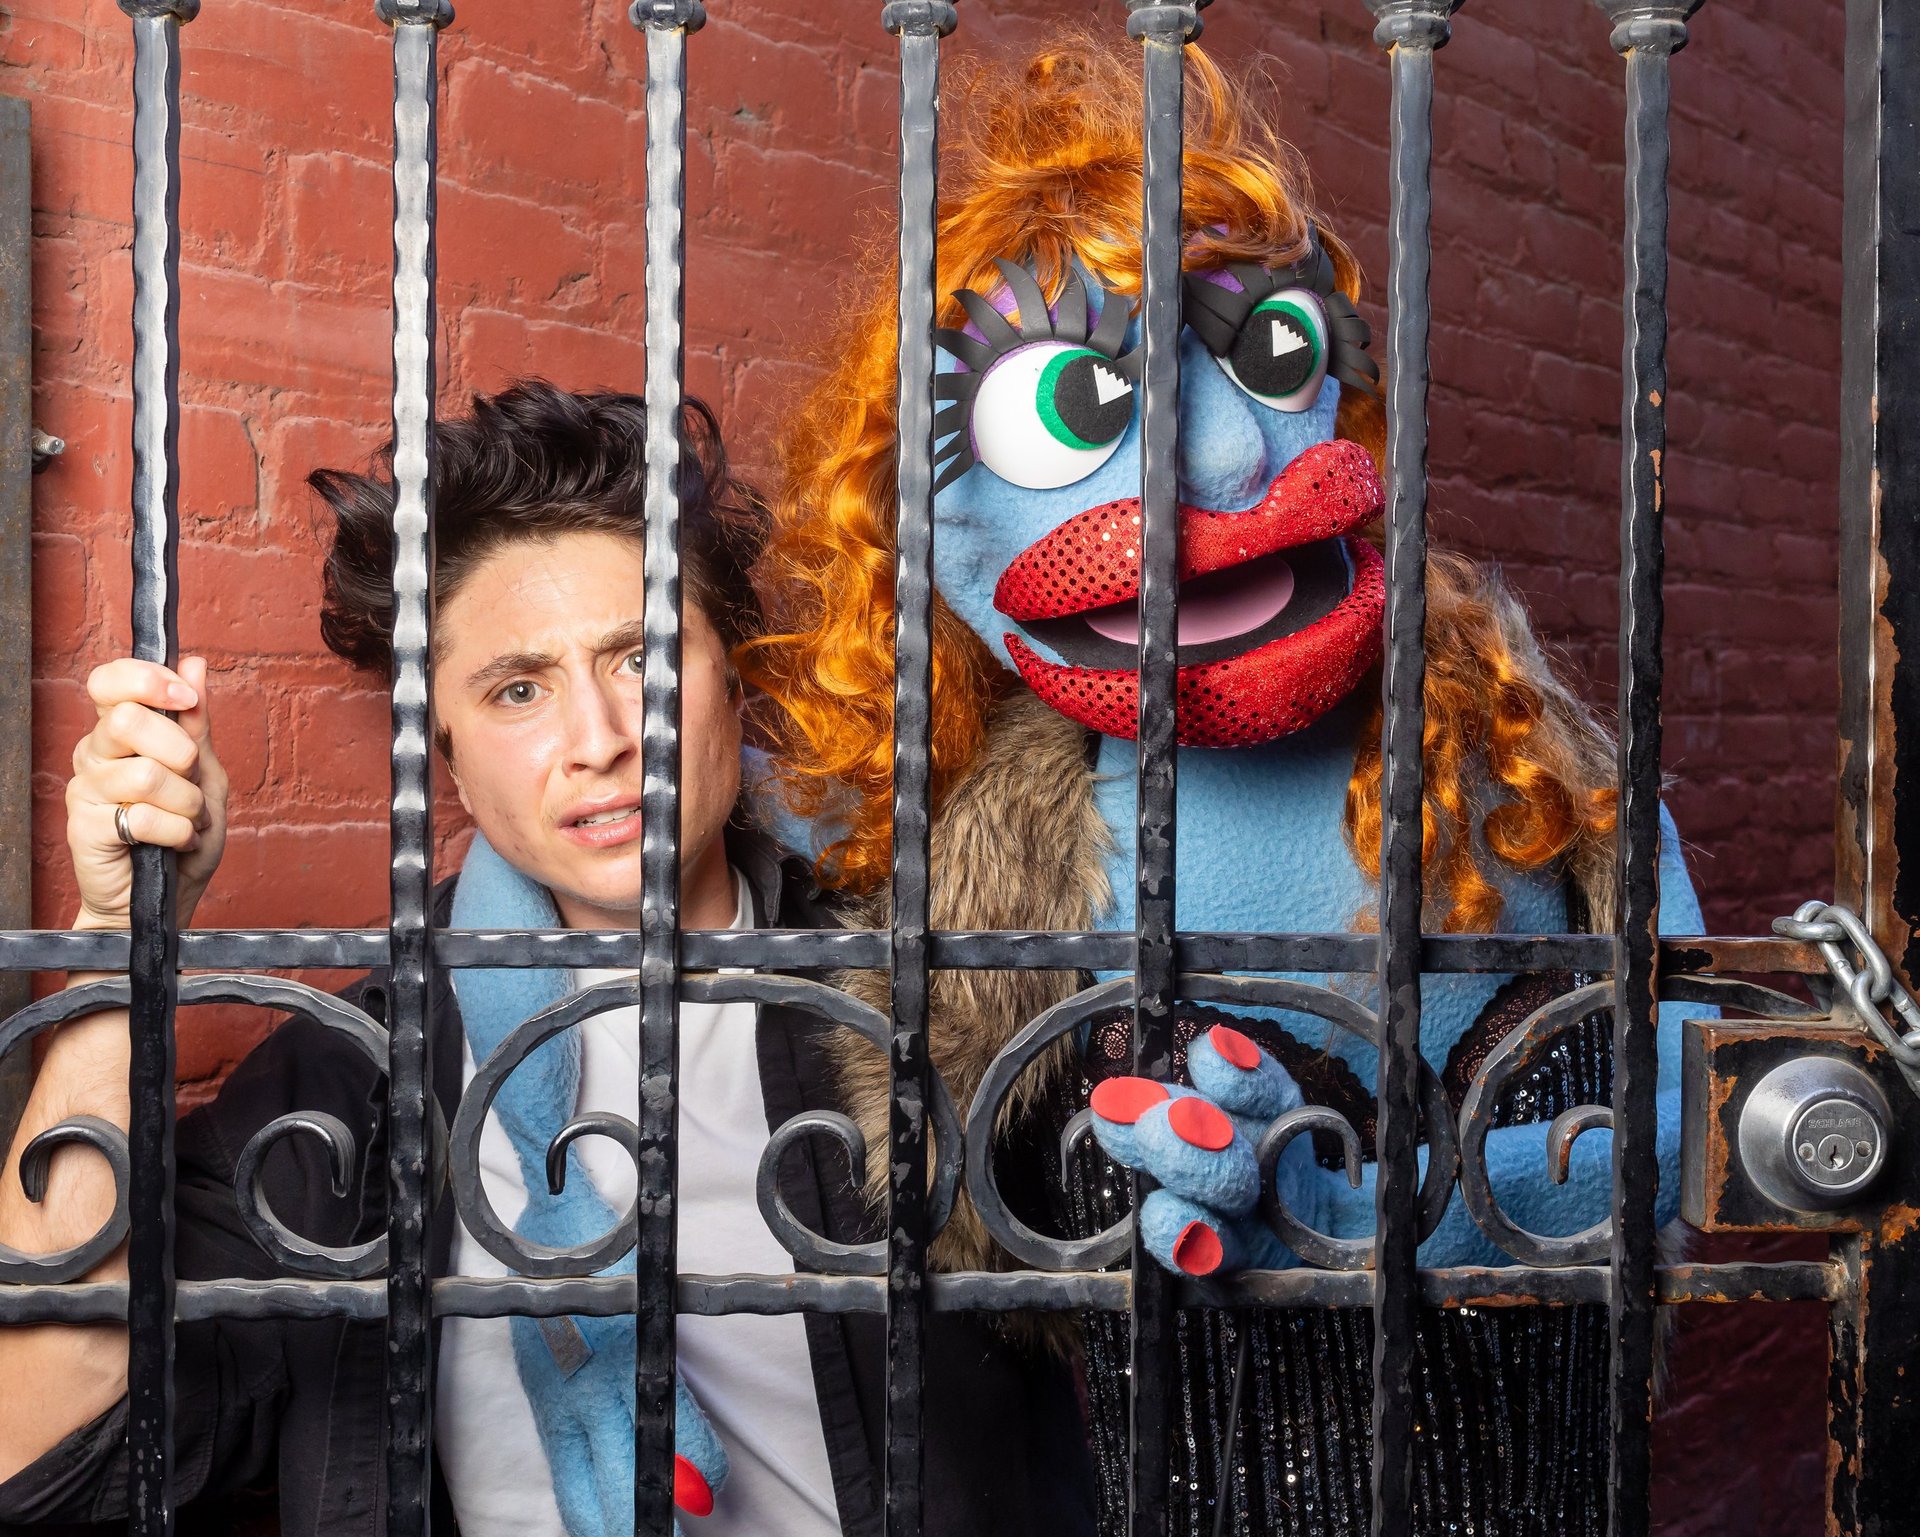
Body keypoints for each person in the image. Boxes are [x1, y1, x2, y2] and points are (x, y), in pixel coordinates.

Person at [743, 39, 1705, 1536]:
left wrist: (1353, 1217)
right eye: (1074, 402)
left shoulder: (1537, 774)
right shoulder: (950, 834)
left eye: (1273, 349)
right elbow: (622, 828)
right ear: (918, 527)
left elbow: (1702, 1122)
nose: (1235, 449)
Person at [0, 381, 1093, 1536]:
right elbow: (35, 1441)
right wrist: (120, 938)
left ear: (737, 684)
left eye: (643, 659)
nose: (602, 740)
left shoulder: (935, 997)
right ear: (451, 758)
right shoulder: (365, 1070)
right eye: (519, 689)